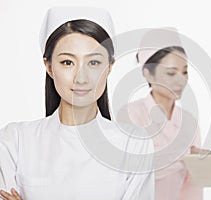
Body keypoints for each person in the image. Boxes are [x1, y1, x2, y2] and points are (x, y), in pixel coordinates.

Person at [0, 6, 154, 200]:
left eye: (94, 63)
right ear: (48, 66)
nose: (81, 78)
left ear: (109, 66)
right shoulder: (14, 142)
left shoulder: (134, 146)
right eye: (67, 62)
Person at [117, 28, 203, 200]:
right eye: (171, 73)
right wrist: (186, 157)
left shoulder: (189, 122)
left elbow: (193, 184)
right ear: (148, 73)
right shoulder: (130, 115)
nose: (181, 80)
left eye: (185, 71)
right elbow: (132, 173)